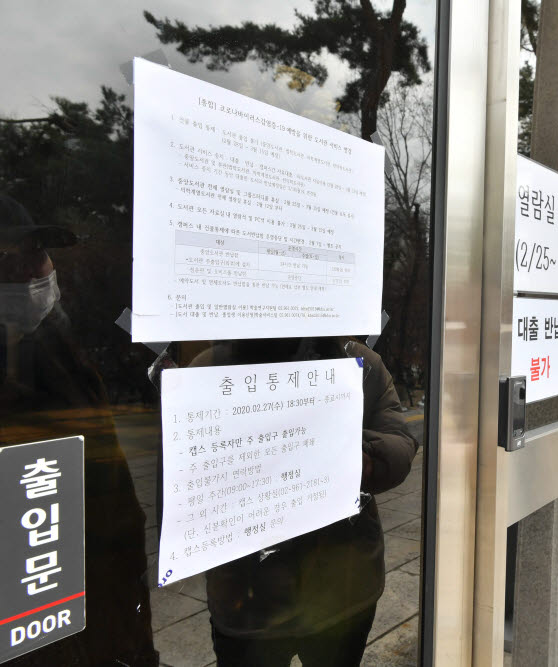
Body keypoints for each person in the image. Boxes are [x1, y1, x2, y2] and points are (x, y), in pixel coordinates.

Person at [188, 336, 418, 667]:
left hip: (344, 588)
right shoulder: (214, 367)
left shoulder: (359, 362)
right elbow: (187, 480)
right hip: (249, 599)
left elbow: (399, 441)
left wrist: (359, 456)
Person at [0, 194, 157, 666]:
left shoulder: (59, 343)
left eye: (36, 253)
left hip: (105, 613)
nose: (31, 271)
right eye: (8, 258)